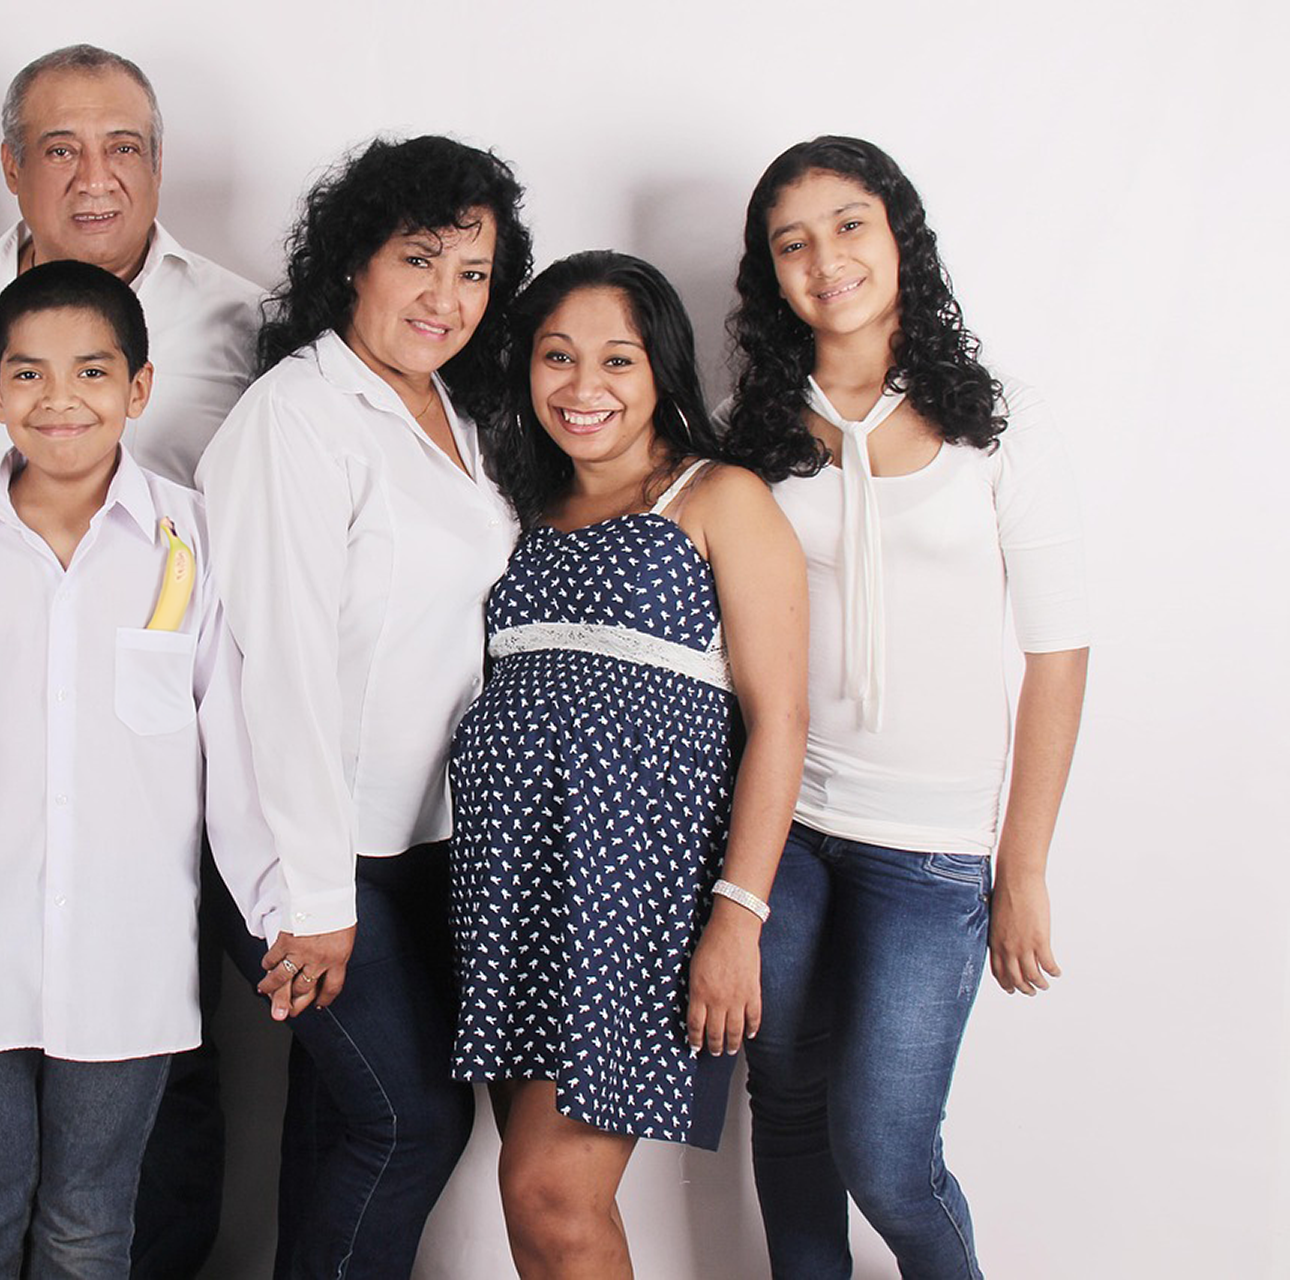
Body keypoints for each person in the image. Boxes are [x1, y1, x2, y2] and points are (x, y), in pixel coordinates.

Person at [0, 260, 281, 1279]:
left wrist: (277, 907)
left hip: (127, 957)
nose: (59, 399)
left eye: (92, 372)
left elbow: (236, 750)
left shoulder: (191, 539)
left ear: (140, 387)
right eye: (28, 374)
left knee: (89, 1228)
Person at [722, 136, 1090, 1279]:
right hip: (786, 825)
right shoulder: (753, 424)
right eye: (792, 242)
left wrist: (1021, 865)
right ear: (770, 273)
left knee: (887, 1152)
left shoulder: (995, 417)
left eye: (849, 225)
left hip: (932, 848)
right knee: (787, 1105)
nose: (825, 258)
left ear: (898, 238)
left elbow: (1058, 651)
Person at [195, 134, 533, 1280]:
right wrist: (314, 896)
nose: (447, 296)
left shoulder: (458, 412)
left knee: (342, 1122)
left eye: (473, 272)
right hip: (310, 851)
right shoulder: (296, 415)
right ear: (355, 261)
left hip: (423, 840)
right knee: (411, 1122)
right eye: (420, 260)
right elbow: (278, 664)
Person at [450, 250, 808, 1277]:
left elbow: (781, 719)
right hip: (513, 888)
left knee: (551, 1192)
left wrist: (738, 914)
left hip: (640, 900)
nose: (584, 385)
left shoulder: (717, 497)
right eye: (557, 356)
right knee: (539, 1205)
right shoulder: (513, 512)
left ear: (662, 369)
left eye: (617, 358)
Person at [0, 43, 263, 494]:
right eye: (61, 151)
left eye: (123, 148)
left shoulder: (251, 324)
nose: (95, 181)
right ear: (12, 167)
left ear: (156, 164)